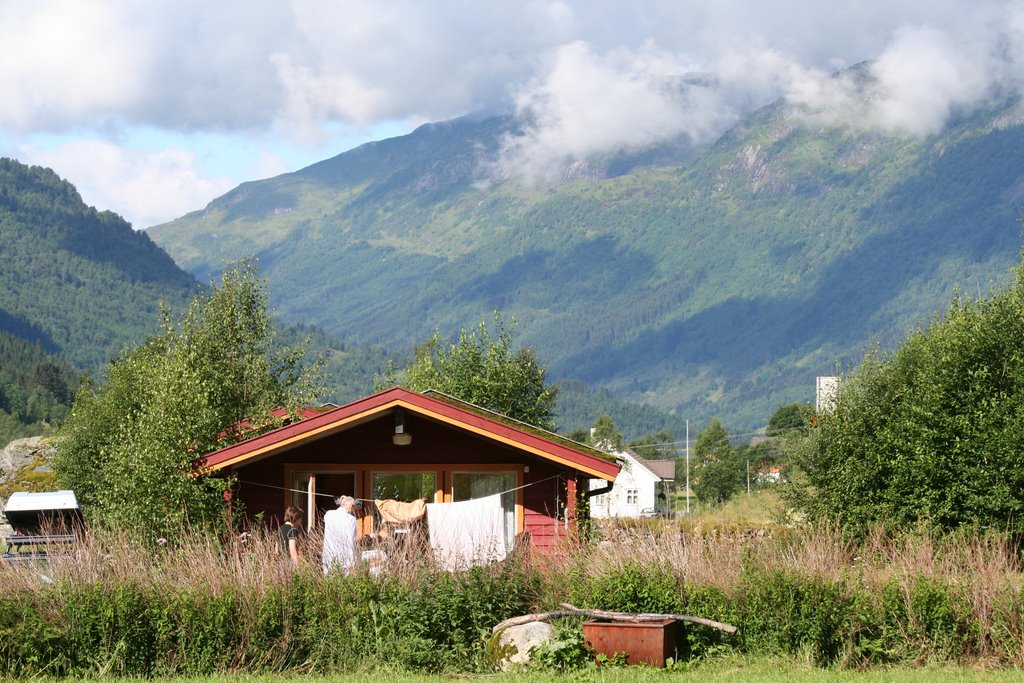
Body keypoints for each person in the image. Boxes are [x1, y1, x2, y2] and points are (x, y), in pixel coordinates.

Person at [322, 495, 358, 574]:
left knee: (328, 584)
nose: (353, 511)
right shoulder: (351, 519)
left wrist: (342, 502)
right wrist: (352, 561)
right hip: (344, 559)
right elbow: (351, 540)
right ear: (351, 507)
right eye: (354, 508)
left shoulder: (329, 514)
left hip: (328, 557)